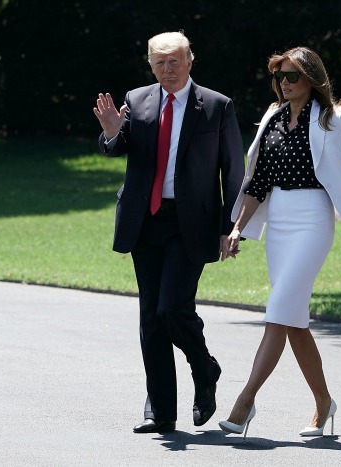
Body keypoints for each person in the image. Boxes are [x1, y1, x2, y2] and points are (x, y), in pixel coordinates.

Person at [217, 47, 341, 438]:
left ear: (312, 78)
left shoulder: (333, 119)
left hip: (313, 217)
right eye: (280, 77)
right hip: (279, 220)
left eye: (293, 76)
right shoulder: (272, 118)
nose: (285, 83)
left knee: (279, 310)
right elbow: (256, 182)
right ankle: (324, 402)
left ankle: (244, 402)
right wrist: (238, 226)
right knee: (292, 319)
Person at [92, 31, 244, 434]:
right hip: (145, 220)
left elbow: (234, 171)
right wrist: (110, 131)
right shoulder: (138, 99)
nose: (167, 69)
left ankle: (203, 367)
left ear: (190, 61)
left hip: (190, 223)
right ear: (150, 64)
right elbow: (118, 145)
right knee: (151, 318)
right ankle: (160, 411)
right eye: (159, 63)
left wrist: (232, 227)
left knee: (171, 308)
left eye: (175, 61)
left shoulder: (216, 106)